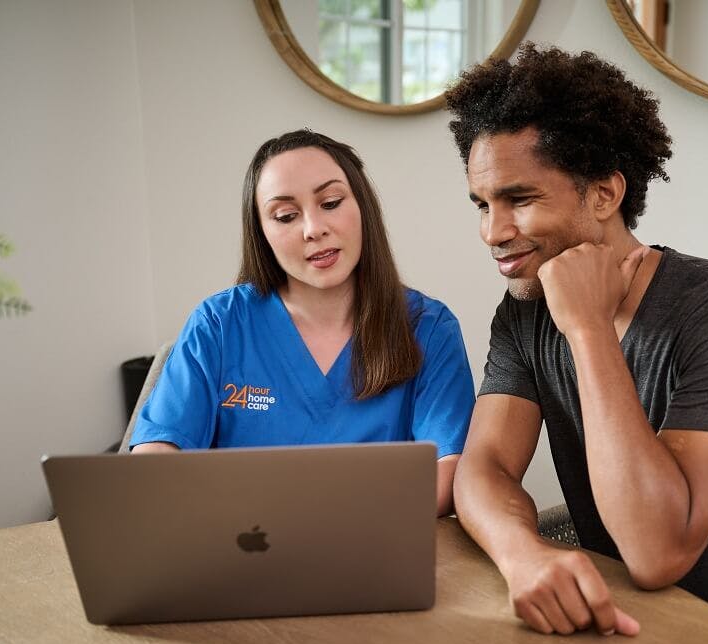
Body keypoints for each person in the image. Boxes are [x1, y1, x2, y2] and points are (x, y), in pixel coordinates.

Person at [444, 44, 708, 644]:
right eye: (481, 204)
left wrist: (589, 329)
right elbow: (483, 468)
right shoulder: (525, 311)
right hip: (622, 623)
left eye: (518, 199)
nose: (493, 231)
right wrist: (523, 555)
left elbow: (658, 553)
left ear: (605, 193)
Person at [130, 130, 475, 517]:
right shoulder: (219, 325)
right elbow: (157, 454)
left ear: (363, 206)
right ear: (262, 233)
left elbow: (449, 469)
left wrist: (340, 522)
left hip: (373, 540)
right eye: (286, 216)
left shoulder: (429, 328)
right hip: (241, 544)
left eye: (330, 203)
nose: (313, 229)